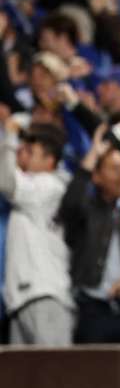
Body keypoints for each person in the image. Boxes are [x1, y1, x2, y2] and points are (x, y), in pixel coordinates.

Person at [57, 125, 120, 343]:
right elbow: (68, 206)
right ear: (97, 176)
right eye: (113, 168)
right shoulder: (87, 209)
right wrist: (93, 156)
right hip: (93, 309)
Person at [0, 118, 73, 346]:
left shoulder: (49, 185)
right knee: (25, 381)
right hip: (24, 300)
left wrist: (9, 138)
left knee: (57, 375)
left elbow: (7, 183)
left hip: (45, 297)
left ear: (49, 161)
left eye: (30, 151)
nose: (22, 153)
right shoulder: (40, 183)